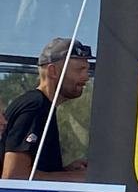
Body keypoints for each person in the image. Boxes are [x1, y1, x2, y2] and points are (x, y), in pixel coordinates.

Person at [2, 38, 92, 182]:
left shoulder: (43, 106)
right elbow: (14, 176)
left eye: (87, 70)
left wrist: (64, 171)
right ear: (53, 71)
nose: (86, 77)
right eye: (79, 70)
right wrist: (78, 178)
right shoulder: (35, 107)